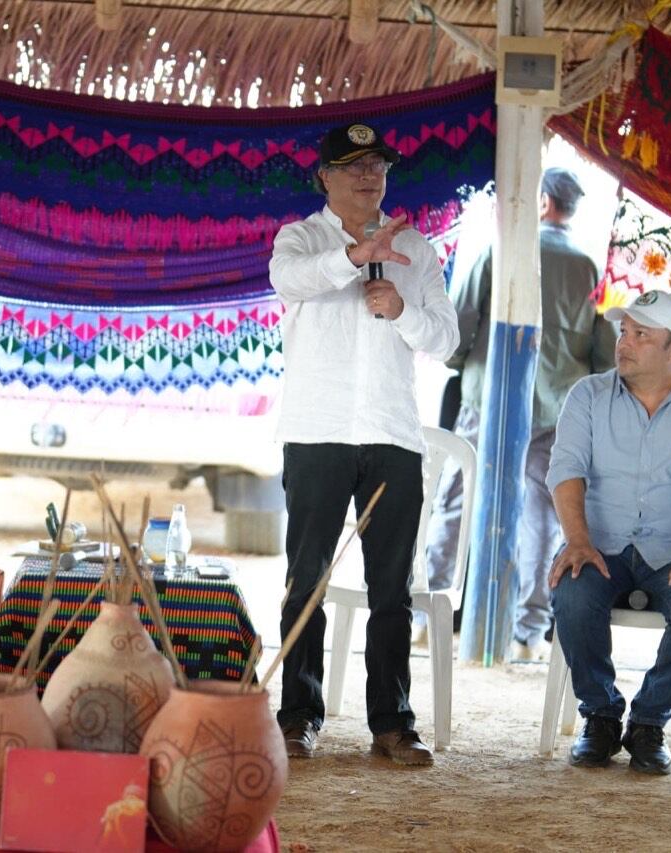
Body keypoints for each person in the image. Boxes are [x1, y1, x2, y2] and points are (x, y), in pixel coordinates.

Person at [269, 122, 459, 765]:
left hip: (391, 434)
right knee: (307, 581)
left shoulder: (416, 249)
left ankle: (393, 722)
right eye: (352, 166)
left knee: (391, 589)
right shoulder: (300, 238)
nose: (367, 176)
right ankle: (298, 716)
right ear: (324, 177)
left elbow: (446, 341)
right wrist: (355, 256)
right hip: (316, 432)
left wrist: (401, 310)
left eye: (377, 164)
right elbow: (291, 281)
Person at [420, 168, 617, 658]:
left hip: (488, 399)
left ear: (544, 201)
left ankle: (426, 618)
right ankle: (530, 633)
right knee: (543, 517)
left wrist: (459, 363)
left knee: (454, 503)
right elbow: (602, 347)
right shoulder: (588, 266)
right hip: (557, 407)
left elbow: (459, 323)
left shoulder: (500, 249)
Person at [548, 291, 671, 774]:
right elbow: (566, 469)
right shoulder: (587, 395)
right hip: (597, 545)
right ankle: (600, 715)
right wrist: (577, 540)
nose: (623, 342)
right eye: (624, 331)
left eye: (640, 335)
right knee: (572, 591)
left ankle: (648, 721)